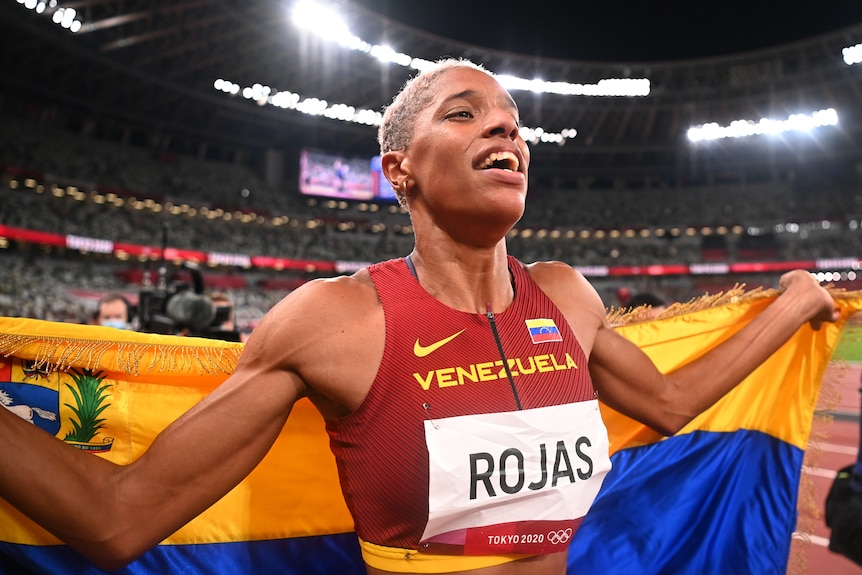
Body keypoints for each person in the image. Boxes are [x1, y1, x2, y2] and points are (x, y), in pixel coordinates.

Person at [0, 59, 839, 575]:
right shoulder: (336, 321)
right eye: (464, 113)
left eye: (512, 122)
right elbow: (117, 519)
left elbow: (668, 404)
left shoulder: (567, 295)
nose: (504, 129)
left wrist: (795, 299)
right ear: (399, 168)